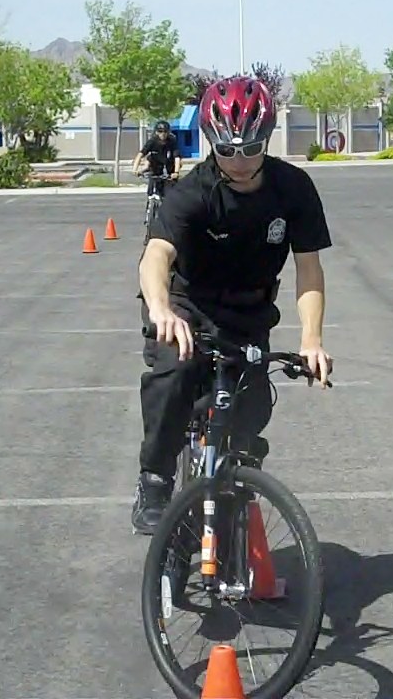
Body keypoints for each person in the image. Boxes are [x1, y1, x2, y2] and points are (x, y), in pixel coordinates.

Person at [131, 75, 334, 535]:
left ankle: (232, 489)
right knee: (177, 374)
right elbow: (156, 255)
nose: (239, 161)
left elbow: (308, 270)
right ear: (211, 144)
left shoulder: (294, 189)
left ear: (267, 140)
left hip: (248, 315)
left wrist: (312, 340)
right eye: (227, 151)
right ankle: (156, 478)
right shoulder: (193, 192)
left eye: (250, 149)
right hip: (187, 307)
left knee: (251, 410)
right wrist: (161, 310)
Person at [132, 120, 181, 200]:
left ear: (168, 132)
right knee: (151, 191)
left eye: (165, 131)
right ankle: (149, 209)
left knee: (171, 195)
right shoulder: (152, 141)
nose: (163, 134)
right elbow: (140, 154)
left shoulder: (172, 141)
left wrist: (176, 172)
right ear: (156, 132)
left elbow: (177, 158)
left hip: (169, 170)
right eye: (160, 131)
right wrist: (135, 169)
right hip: (155, 169)